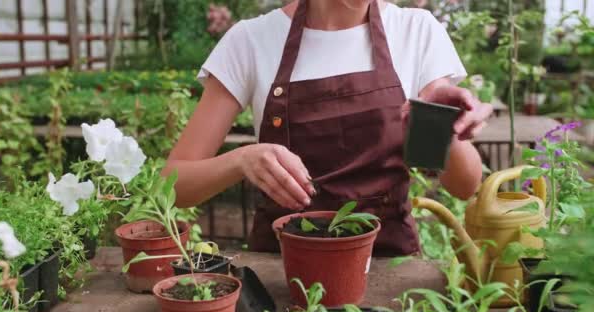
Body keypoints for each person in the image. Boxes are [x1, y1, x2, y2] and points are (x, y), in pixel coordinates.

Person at [164, 0, 492, 256]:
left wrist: (436, 122)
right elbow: (174, 185)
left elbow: (464, 185)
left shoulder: (414, 31)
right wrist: (242, 160)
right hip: (282, 272)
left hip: (387, 271)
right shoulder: (252, 41)